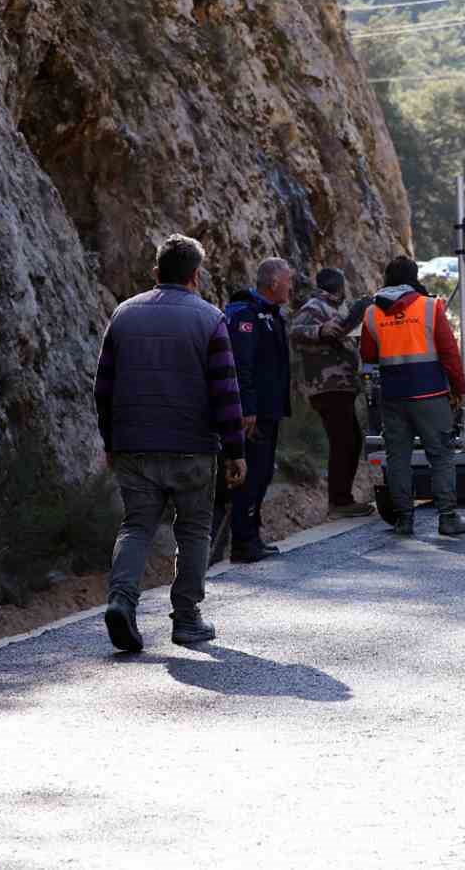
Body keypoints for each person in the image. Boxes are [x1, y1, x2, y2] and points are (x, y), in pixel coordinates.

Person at [95, 234, 247, 652]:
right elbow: (226, 392)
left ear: (156, 271)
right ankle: (186, 618)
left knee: (136, 525)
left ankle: (121, 602)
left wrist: (111, 438)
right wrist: (235, 450)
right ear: (195, 276)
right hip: (192, 446)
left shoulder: (124, 315)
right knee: (194, 530)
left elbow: (103, 386)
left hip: (134, 445)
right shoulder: (210, 319)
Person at [359, 257, 465, 537]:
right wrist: (459, 389)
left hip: (394, 397)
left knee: (398, 458)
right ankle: (447, 518)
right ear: (414, 277)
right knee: (441, 456)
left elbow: (368, 355)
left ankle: (404, 521)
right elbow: (449, 354)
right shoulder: (430, 307)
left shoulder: (372, 312)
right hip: (431, 394)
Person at [224, 257, 294, 562]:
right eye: (288, 280)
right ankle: (243, 542)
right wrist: (248, 407)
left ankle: (251, 535)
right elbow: (243, 365)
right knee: (251, 475)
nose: (291, 286)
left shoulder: (270, 314)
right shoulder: (247, 315)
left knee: (262, 473)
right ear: (274, 282)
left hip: (269, 409)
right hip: (255, 413)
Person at [292, 267, 374, 517]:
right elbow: (295, 331)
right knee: (343, 441)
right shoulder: (315, 306)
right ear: (339, 285)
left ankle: (343, 499)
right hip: (326, 386)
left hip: (342, 385)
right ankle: (339, 502)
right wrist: (319, 330)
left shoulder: (338, 308)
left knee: (352, 440)